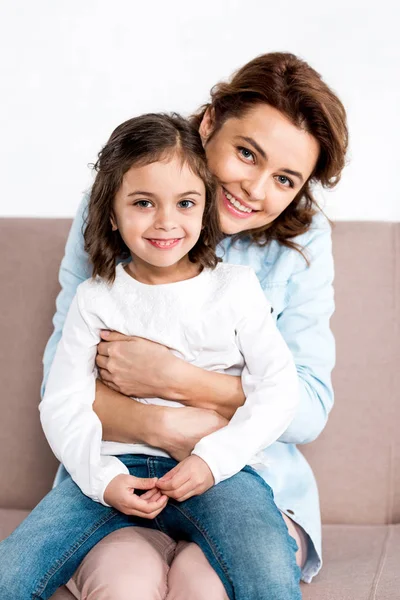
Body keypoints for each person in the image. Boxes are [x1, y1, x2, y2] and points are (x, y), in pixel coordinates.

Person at [0, 112, 301, 600]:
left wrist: (212, 460)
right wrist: (103, 480)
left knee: (266, 572)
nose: (166, 221)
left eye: (185, 203)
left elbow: (280, 391)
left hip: (215, 471)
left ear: (205, 210)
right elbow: (63, 404)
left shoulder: (237, 290)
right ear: (112, 214)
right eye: (143, 203)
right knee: (11, 573)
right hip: (110, 470)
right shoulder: (95, 298)